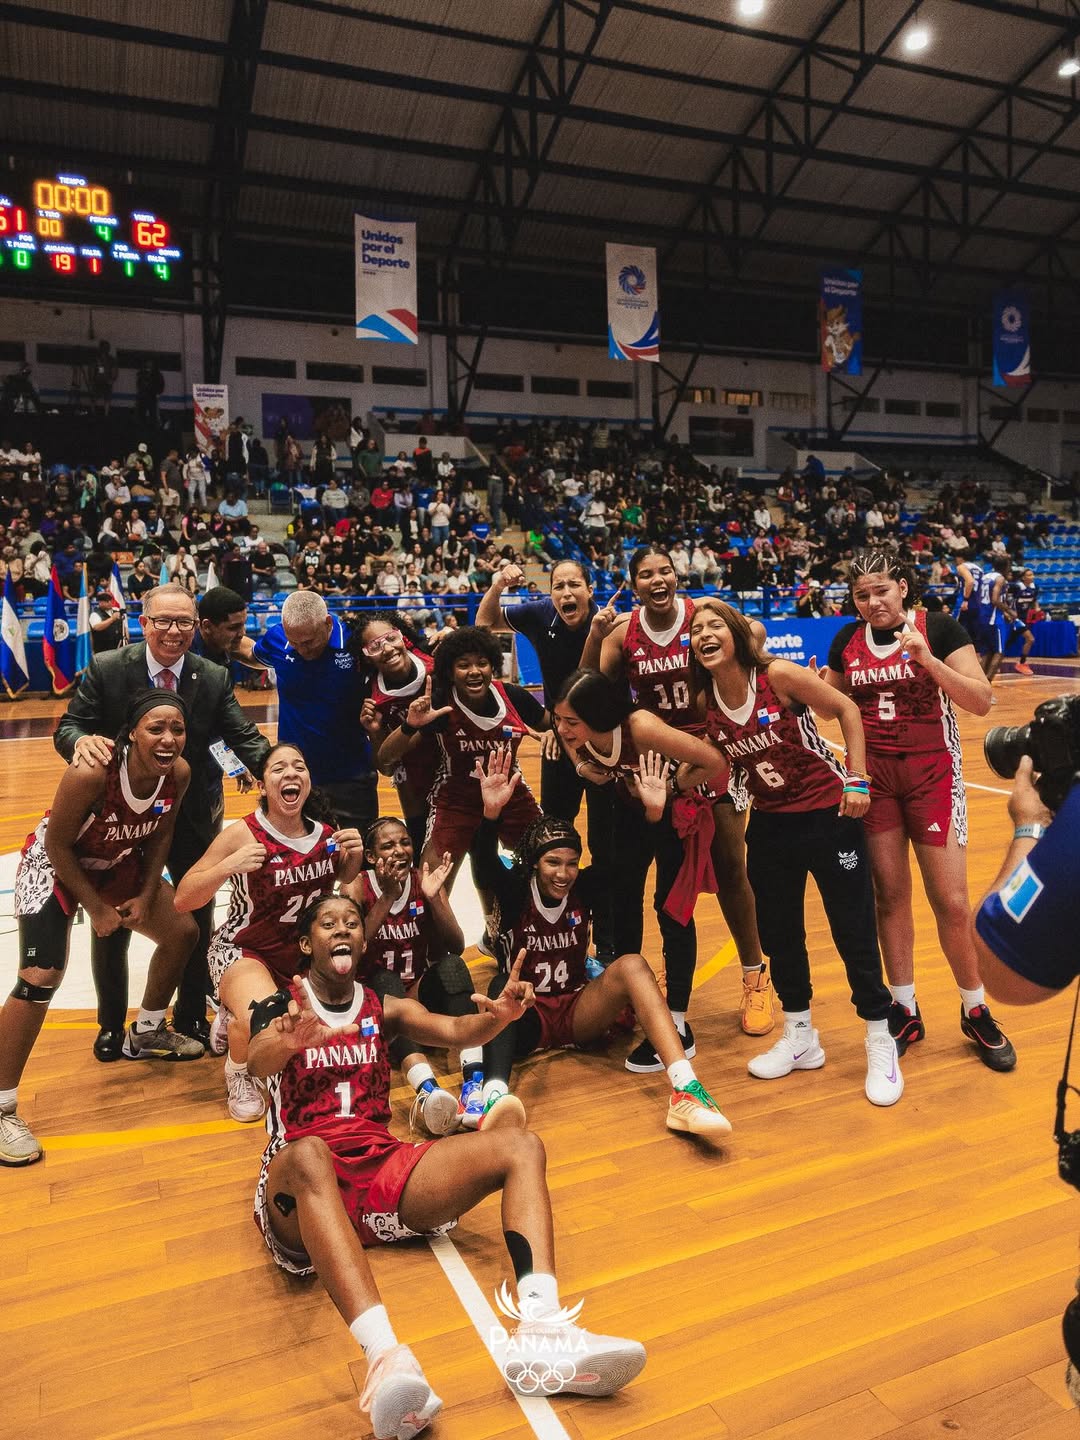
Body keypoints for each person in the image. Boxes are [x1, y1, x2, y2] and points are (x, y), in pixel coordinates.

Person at [245, 894, 646, 1437]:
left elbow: (457, 1033)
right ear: (304, 942)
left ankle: (542, 1330)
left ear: (363, 942)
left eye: (352, 923)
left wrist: (499, 1019)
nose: (342, 930)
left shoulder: (382, 1007)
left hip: (377, 1171)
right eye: (327, 923)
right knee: (312, 1153)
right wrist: (286, 1042)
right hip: (301, 1187)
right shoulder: (284, 1005)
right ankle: (387, 1363)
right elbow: (256, 1060)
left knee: (521, 1145)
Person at [688, 597, 904, 1107]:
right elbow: (718, 762)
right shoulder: (705, 703)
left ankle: (879, 1036)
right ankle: (801, 1035)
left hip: (830, 815)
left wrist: (857, 778)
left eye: (714, 624)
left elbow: (847, 708)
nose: (704, 635)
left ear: (737, 632)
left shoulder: (779, 676)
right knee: (781, 935)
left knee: (852, 928)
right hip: (771, 824)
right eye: (696, 631)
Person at [53, 583, 270, 1053]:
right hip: (120, 815)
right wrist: (80, 743)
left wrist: (274, 769)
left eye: (184, 623)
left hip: (190, 812)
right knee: (112, 918)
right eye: (164, 622)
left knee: (197, 912)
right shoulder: (109, 668)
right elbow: (69, 725)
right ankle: (111, 1024)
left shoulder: (212, 674)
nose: (174, 632)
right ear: (144, 622)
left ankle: (190, 1014)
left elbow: (243, 735)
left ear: (197, 626)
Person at [821, 551, 1015, 1072]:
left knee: (951, 900)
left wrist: (927, 660)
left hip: (933, 776)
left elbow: (981, 700)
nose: (872, 602)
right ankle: (904, 1007)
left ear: (903, 587)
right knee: (890, 897)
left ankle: (975, 1008)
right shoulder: (847, 641)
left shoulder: (941, 628)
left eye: (881, 590)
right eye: (862, 594)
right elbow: (829, 706)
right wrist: (817, 685)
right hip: (875, 779)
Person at [472, 749, 732, 1137]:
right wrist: (490, 815)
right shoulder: (514, 893)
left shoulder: (584, 887)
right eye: (553, 863)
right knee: (500, 987)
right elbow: (484, 864)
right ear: (534, 863)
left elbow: (627, 868)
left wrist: (654, 814)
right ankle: (494, 1098)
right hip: (526, 1012)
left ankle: (686, 1090)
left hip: (578, 1010)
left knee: (631, 964)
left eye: (571, 863)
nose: (564, 873)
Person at [0, 692, 203, 1167]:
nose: (168, 738)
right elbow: (56, 845)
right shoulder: (93, 771)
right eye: (156, 728)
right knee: (40, 976)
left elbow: (162, 834)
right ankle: (2, 1103)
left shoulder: (180, 774)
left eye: (177, 728)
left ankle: (148, 1032)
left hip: (114, 863)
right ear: (132, 732)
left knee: (182, 932)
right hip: (54, 864)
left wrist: (148, 893)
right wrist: (96, 908)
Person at [584, 545, 769, 1049]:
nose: (658, 580)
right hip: (654, 767)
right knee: (657, 881)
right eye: (646, 575)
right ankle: (654, 978)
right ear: (633, 583)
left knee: (733, 869)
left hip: (713, 752)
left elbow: (753, 636)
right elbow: (591, 690)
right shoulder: (624, 633)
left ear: (676, 574)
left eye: (665, 571)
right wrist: (596, 636)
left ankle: (755, 976)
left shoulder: (701, 618)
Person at [175, 742, 364, 1121]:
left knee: (317, 1039)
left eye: (299, 766)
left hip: (297, 956)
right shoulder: (243, 834)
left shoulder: (328, 832)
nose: (290, 773)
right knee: (269, 1021)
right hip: (242, 950)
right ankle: (237, 1070)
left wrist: (355, 858)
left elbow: (342, 878)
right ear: (262, 785)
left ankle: (233, 1018)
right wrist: (228, 865)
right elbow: (183, 899)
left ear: (308, 781)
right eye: (278, 769)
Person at [552, 668, 727, 1072]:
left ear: (598, 715)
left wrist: (670, 790)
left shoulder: (642, 727)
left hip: (678, 812)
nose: (561, 729)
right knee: (622, 896)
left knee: (671, 910)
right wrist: (582, 768)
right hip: (632, 808)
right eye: (558, 719)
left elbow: (714, 761)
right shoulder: (578, 736)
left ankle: (679, 1024)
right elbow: (571, 747)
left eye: (570, 722)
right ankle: (628, 996)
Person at [476, 559, 616, 961]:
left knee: (606, 847)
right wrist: (499, 582)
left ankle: (605, 945)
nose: (567, 593)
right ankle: (529, 927)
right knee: (549, 840)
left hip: (605, 747)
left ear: (590, 590)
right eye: (559, 586)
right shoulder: (539, 614)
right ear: (550, 593)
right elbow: (485, 621)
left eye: (575, 585)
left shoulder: (609, 625)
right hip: (560, 742)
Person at [379, 626, 546, 907]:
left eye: (482, 663)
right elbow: (385, 758)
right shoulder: (442, 705)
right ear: (450, 671)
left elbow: (556, 723)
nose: (474, 671)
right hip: (455, 801)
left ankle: (522, 935)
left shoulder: (513, 696)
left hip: (510, 797)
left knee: (548, 861)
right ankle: (432, 949)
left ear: (493, 665)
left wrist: (556, 732)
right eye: (463, 665)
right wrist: (410, 725)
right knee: (431, 886)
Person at [344, 817, 489, 1133]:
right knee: (385, 979)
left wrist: (435, 899)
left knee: (453, 967)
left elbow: (456, 944)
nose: (399, 851)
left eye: (404, 842)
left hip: (418, 990)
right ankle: (428, 1091)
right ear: (370, 856)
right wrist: (387, 898)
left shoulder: (422, 879)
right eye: (388, 846)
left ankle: (474, 1087)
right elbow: (354, 953)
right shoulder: (357, 885)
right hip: (376, 1002)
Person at [238, 590, 377, 833]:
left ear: (328, 623)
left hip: (352, 776)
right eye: (295, 643)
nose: (302, 650)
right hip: (295, 777)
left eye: (310, 641)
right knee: (301, 858)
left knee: (358, 854)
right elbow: (252, 654)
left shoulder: (356, 642)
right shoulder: (278, 639)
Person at [352, 613, 436, 856]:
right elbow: (386, 767)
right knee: (422, 853)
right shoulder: (372, 698)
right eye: (374, 646)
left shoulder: (436, 662)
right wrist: (376, 732)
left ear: (403, 638)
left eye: (390, 637)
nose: (387, 648)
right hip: (414, 781)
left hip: (458, 773)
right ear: (365, 657)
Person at [193, 585, 248, 668]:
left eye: (244, 624)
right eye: (233, 628)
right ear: (207, 626)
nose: (242, 633)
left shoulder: (231, 646)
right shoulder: (184, 660)